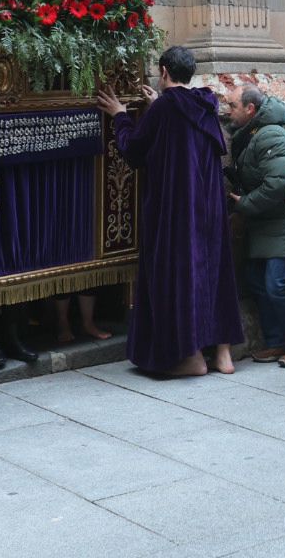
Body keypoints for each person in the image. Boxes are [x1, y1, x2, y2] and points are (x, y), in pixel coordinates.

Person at [97, 46, 243, 377]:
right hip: (210, 205)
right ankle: (223, 355)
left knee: (180, 274)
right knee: (215, 269)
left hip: (179, 209)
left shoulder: (164, 109)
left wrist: (120, 114)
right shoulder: (205, 104)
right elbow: (187, 131)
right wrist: (155, 107)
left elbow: (134, 149)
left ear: (163, 72)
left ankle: (191, 357)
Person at [223, 85, 285, 368]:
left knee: (278, 284)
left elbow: (276, 186)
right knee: (256, 279)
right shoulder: (252, 133)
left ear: (250, 110)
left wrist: (244, 203)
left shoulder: (270, 135)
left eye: (232, 106)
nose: (228, 112)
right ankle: (277, 341)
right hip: (271, 219)